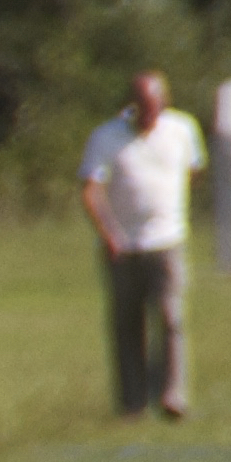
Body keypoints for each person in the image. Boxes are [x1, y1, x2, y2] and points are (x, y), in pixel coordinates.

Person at [79, 70, 205, 419]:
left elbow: (194, 172)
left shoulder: (182, 130)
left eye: (155, 106)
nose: (149, 114)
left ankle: (172, 396)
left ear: (164, 103)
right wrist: (109, 234)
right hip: (123, 244)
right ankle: (132, 402)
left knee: (170, 317)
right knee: (127, 323)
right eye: (142, 106)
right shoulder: (106, 137)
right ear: (131, 105)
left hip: (167, 240)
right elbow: (91, 188)